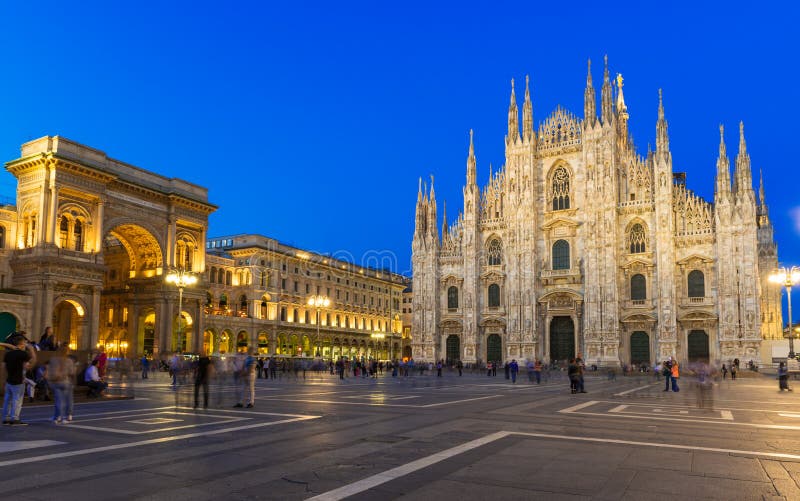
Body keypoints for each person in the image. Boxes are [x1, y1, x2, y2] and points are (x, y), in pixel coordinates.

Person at [2, 333, 36, 425]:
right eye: (24, 343)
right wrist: (32, 351)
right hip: (19, 380)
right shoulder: (23, 354)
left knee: (7, 400)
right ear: (21, 344)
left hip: (9, 380)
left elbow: (4, 367)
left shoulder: (8, 354)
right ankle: (15, 418)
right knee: (17, 400)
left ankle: (6, 418)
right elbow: (30, 365)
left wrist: (5, 379)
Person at [48, 344, 76, 424]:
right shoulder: (69, 360)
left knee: (59, 400)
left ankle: (58, 416)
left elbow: (50, 371)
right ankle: (68, 416)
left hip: (56, 382)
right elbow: (72, 372)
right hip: (66, 382)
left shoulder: (53, 359)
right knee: (68, 399)